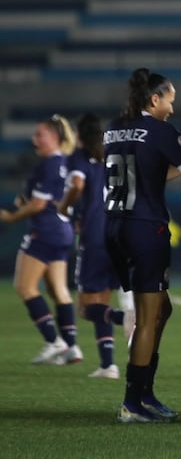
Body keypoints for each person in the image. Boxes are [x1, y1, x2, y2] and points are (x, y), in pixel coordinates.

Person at [105, 68, 181, 423]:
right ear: (155, 99)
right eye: (170, 99)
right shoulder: (160, 129)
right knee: (150, 317)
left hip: (116, 227)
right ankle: (133, 401)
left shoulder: (114, 128)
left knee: (160, 310)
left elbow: (146, 169)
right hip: (145, 229)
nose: (172, 106)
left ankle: (145, 393)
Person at [0, 115, 82, 365]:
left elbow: (38, 204)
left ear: (55, 137)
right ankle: (71, 347)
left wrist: (12, 218)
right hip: (62, 231)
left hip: (44, 230)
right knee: (59, 290)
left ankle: (53, 340)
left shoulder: (49, 163)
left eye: (40, 134)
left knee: (25, 287)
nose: (35, 139)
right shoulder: (64, 162)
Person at [58, 112, 134, 379]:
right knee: (100, 300)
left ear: (79, 134)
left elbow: (77, 184)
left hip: (94, 237)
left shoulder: (79, 158)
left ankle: (122, 318)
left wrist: (65, 206)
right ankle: (108, 365)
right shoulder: (109, 157)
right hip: (116, 233)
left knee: (86, 307)